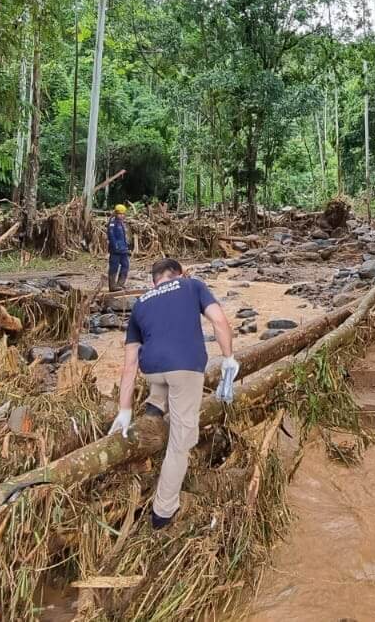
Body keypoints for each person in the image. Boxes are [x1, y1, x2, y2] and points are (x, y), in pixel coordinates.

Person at [108, 258, 237, 529]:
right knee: (181, 441)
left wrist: (124, 410)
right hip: (185, 369)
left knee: (162, 372)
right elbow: (220, 321)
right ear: (179, 274)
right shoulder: (192, 285)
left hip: (152, 370)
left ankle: (154, 407)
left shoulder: (142, 302)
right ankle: (163, 512)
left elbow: (129, 364)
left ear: (155, 281)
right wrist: (228, 358)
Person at [106, 204, 130, 291]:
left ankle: (120, 284)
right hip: (115, 250)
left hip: (123, 249)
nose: (122, 215)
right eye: (120, 214)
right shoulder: (112, 223)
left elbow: (123, 237)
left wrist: (126, 246)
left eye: (123, 214)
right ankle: (112, 286)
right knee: (114, 267)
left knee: (125, 265)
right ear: (116, 213)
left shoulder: (121, 223)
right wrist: (115, 246)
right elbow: (111, 236)